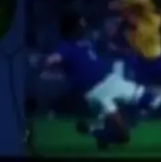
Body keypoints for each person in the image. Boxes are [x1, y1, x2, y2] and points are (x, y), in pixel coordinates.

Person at [44, 10, 149, 150]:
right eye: (81, 24)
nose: (84, 27)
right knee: (123, 136)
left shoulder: (87, 42)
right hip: (96, 92)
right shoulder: (66, 46)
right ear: (72, 28)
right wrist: (51, 61)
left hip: (111, 80)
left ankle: (105, 132)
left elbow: (106, 42)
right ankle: (94, 131)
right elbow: (53, 59)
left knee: (144, 97)